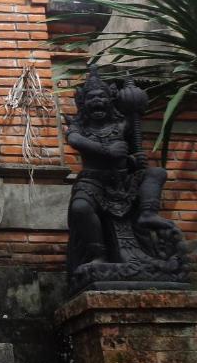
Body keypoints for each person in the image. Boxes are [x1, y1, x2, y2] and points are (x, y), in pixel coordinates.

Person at [65, 66, 186, 294]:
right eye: (91, 98)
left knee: (156, 173)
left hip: (123, 181)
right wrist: (106, 151)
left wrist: (133, 160)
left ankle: (148, 213)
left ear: (110, 100)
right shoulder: (79, 126)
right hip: (93, 180)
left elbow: (132, 153)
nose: (97, 101)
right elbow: (74, 140)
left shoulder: (122, 124)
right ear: (83, 103)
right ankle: (98, 254)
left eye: (101, 96)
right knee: (80, 208)